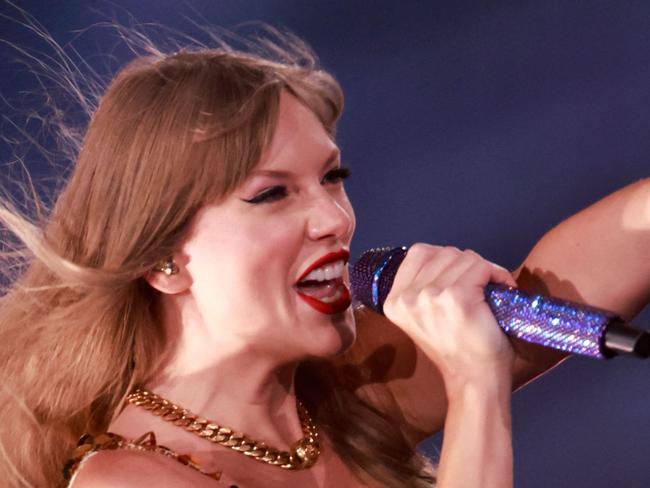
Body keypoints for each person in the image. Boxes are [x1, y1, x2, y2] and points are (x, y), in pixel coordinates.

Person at [0, 31, 648, 488]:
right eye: (272, 194)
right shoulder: (133, 481)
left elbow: (578, 278)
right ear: (164, 259)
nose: (335, 218)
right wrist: (476, 386)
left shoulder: (343, 399)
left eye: (333, 176)